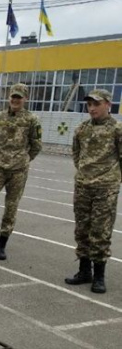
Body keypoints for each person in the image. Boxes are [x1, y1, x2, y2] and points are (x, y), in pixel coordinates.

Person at [65, 89, 122, 294]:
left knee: (100, 231)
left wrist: (112, 179)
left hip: (105, 188)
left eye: (96, 104)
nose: (92, 108)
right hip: (83, 186)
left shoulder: (117, 129)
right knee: (82, 229)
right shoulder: (82, 129)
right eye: (89, 104)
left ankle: (99, 276)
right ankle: (84, 271)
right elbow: (76, 154)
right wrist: (85, 174)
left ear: (108, 104)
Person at [0, 83, 42, 260]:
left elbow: (36, 144)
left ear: (25, 99)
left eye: (19, 97)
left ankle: (1, 246)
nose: (15, 100)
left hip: (18, 171)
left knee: (11, 209)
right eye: (13, 96)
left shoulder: (31, 120)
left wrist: (24, 159)